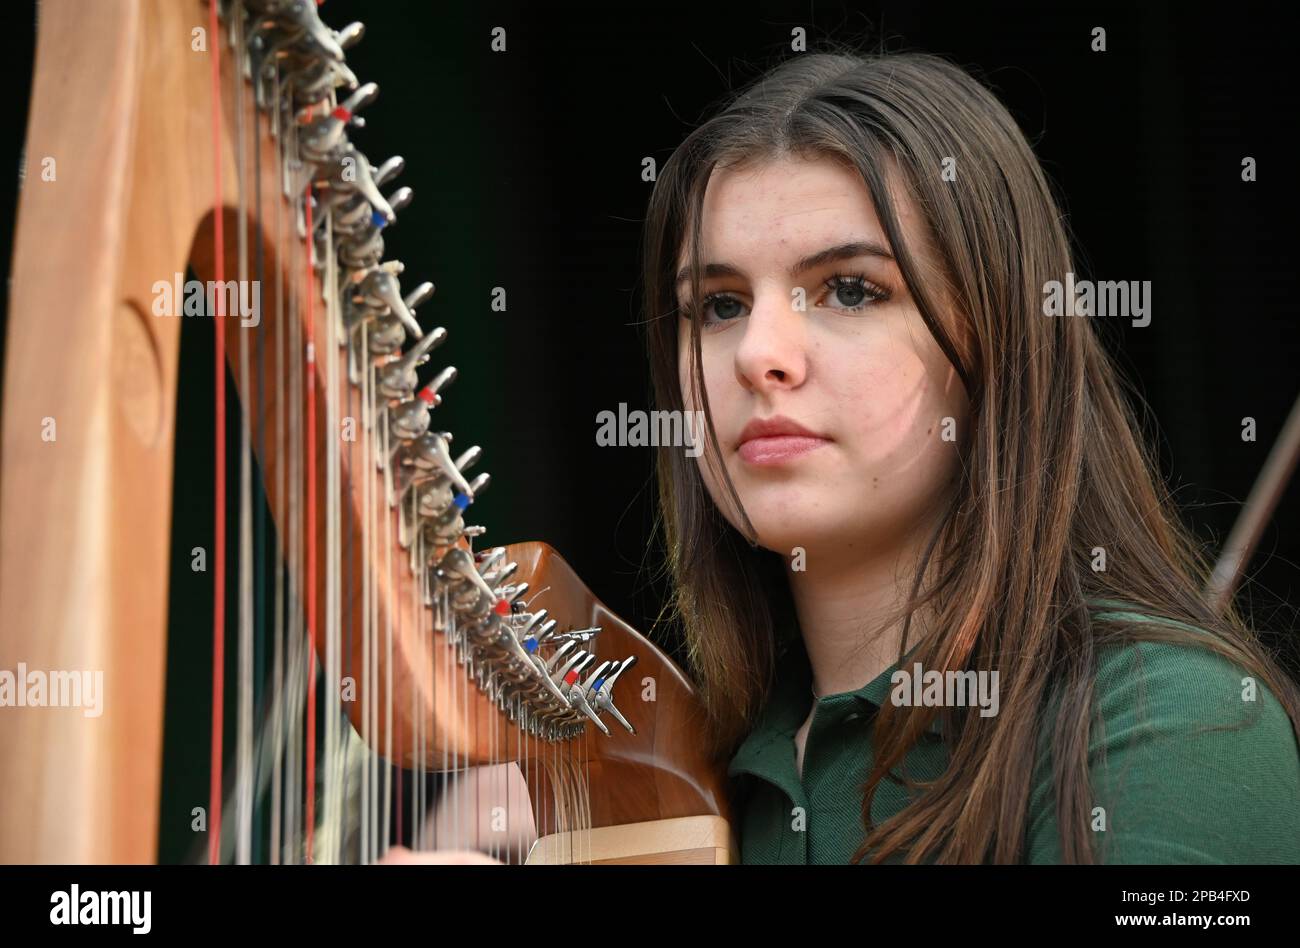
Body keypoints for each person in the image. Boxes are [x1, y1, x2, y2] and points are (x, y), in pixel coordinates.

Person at [380, 47, 1300, 865]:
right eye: (720, 305)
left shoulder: (1174, 722)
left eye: (850, 290)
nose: (757, 354)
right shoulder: (703, 777)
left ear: (997, 349)